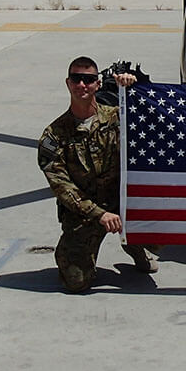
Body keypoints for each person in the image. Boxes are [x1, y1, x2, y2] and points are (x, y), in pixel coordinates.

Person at [37, 56, 158, 293]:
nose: (82, 85)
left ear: (98, 84)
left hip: (122, 203)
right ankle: (70, 253)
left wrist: (134, 88)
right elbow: (62, 188)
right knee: (77, 282)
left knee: (162, 221)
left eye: (89, 79)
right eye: (76, 79)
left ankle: (136, 246)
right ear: (68, 83)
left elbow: (153, 119)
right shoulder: (53, 136)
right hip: (85, 211)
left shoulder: (118, 116)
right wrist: (99, 214)